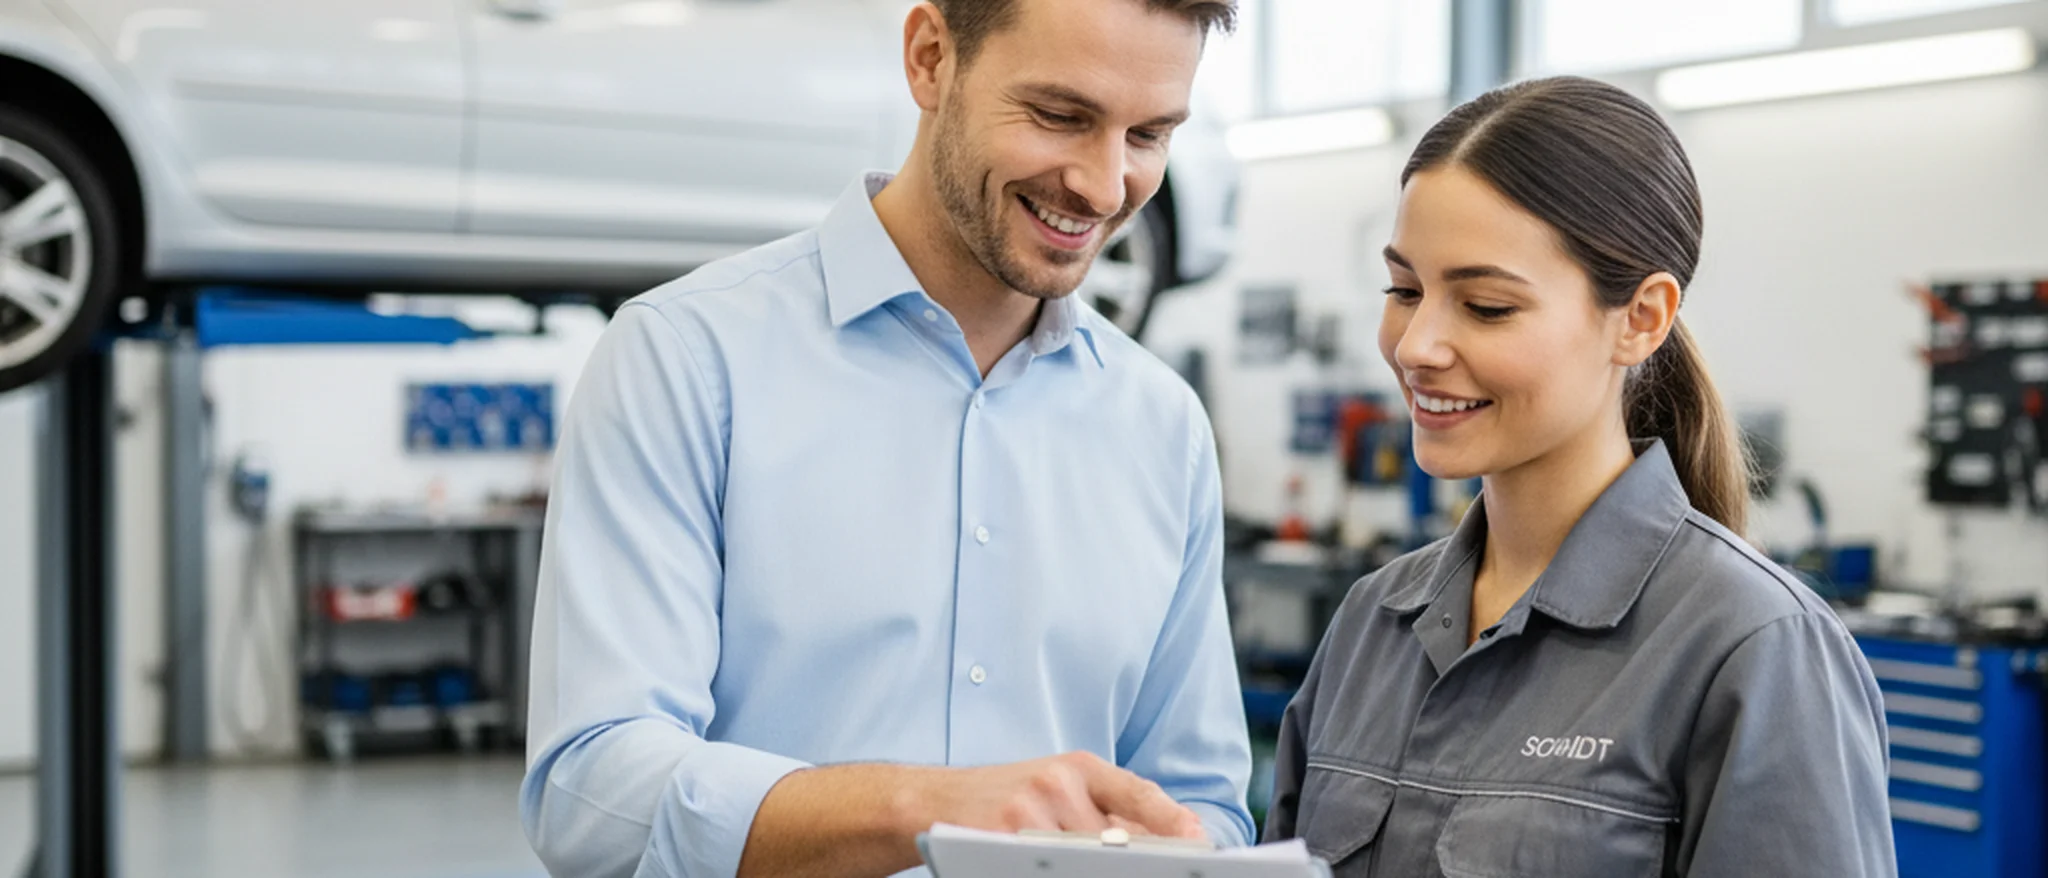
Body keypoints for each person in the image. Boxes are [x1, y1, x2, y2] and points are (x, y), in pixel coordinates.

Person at [520, 2, 1255, 876]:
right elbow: (593, 793)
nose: (1103, 187)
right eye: (1061, 116)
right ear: (931, 58)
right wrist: (928, 813)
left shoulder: (1162, 427)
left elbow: (1199, 804)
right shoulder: (686, 359)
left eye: (1149, 136)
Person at [1263, 76, 1896, 877]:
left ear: (1640, 318)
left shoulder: (1753, 648)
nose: (1417, 345)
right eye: (1404, 290)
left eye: (1487, 306)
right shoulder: (1372, 623)